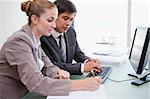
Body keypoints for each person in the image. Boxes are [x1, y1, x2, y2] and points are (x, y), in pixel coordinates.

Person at [0, 0, 101, 99]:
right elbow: (36, 83)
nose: (53, 25)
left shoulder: (34, 39)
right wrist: (81, 84)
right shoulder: (19, 41)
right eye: (50, 20)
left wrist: (58, 73)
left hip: (27, 93)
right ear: (35, 19)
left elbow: (48, 66)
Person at [40, 0, 101, 75]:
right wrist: (82, 67)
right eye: (65, 18)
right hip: (52, 79)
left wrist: (87, 61)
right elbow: (52, 65)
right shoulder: (43, 36)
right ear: (54, 16)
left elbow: (77, 53)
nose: (68, 23)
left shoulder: (70, 32)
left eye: (71, 19)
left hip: (68, 77)